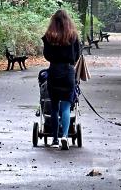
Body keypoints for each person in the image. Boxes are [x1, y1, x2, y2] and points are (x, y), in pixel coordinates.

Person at [42, 9, 80, 150]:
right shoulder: (73, 36)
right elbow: (77, 55)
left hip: (54, 71)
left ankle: (55, 139)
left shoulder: (49, 36)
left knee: (54, 107)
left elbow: (46, 55)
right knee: (65, 107)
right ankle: (65, 136)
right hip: (68, 72)